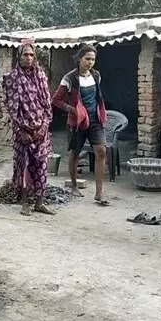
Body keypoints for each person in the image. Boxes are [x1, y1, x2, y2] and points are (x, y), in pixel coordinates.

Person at [51, 44, 110, 205]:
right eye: (87, 59)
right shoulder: (69, 78)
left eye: (93, 59)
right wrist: (72, 109)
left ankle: (99, 193)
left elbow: (97, 96)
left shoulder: (96, 76)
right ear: (79, 59)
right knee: (75, 153)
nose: (90, 62)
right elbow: (55, 100)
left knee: (101, 151)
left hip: (95, 119)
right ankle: (74, 186)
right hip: (77, 122)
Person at [3, 41, 55, 216]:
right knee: (23, 165)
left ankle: (40, 202)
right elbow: (12, 108)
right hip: (23, 130)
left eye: (31, 55)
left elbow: (47, 106)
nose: (28, 58)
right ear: (19, 56)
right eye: (25, 54)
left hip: (41, 130)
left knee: (41, 166)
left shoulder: (40, 77)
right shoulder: (11, 79)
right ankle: (24, 203)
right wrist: (21, 131)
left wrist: (43, 127)